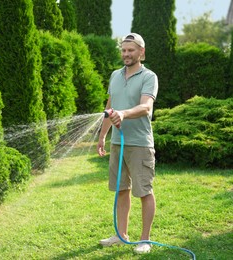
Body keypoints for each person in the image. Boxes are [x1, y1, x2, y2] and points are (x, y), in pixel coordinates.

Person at [96, 33, 158, 254]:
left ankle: (145, 240)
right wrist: (103, 135)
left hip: (139, 144)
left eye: (131, 50)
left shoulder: (148, 76)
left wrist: (123, 114)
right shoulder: (114, 75)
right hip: (118, 143)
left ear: (141, 52)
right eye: (123, 50)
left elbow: (145, 107)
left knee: (144, 192)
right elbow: (109, 106)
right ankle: (121, 236)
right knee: (121, 190)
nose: (126, 54)